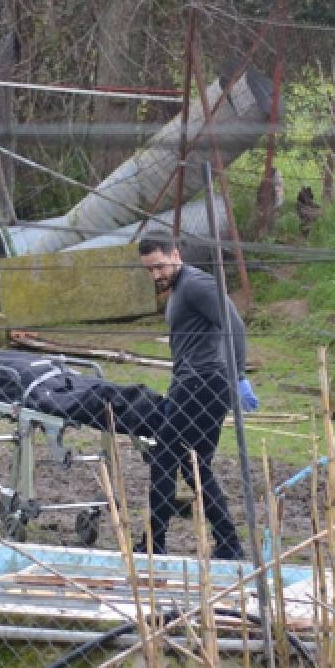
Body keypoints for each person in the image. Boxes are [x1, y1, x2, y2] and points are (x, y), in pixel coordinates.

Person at [137, 232, 259, 560]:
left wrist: (239, 376)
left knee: (164, 456)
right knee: (195, 466)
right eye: (149, 270)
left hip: (202, 383)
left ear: (175, 254)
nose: (156, 275)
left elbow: (234, 323)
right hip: (200, 383)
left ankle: (153, 543)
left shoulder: (195, 284)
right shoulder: (180, 289)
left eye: (160, 266)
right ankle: (229, 543)